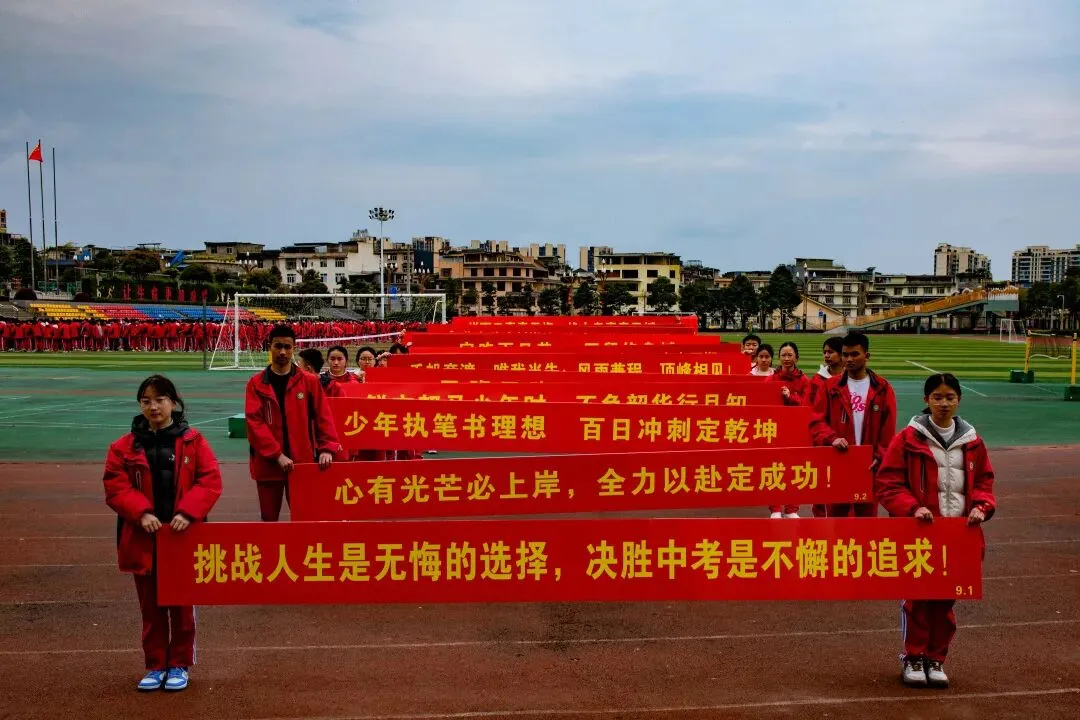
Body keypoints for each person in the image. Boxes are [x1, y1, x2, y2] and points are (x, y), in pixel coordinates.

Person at [102, 375, 222, 693]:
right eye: (146, 401)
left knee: (182, 605)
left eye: (160, 399)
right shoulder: (122, 447)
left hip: (182, 536)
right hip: (143, 536)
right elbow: (115, 485)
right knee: (151, 607)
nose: (153, 406)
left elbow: (209, 480)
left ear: (173, 402)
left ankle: (179, 663)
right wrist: (141, 512)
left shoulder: (194, 441)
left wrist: (188, 512)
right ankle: (156, 665)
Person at [875, 373, 996, 689]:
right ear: (926, 400)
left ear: (959, 400)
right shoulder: (907, 439)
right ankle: (912, 656)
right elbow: (888, 484)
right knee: (917, 599)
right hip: (920, 533)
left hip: (959, 535)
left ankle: (935, 658)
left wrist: (981, 507)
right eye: (938, 397)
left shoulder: (973, 441)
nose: (944, 403)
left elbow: (984, 482)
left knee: (945, 602)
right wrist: (913, 507)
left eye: (950, 397)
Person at [245, 325, 342, 522]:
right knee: (269, 518)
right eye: (277, 346)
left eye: (287, 347)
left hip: (301, 462)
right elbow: (255, 424)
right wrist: (276, 455)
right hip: (268, 464)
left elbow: (323, 416)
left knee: (304, 518)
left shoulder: (309, 381)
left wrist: (326, 448)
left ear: (294, 348)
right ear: (269, 346)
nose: (282, 352)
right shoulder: (255, 384)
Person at [810, 331, 897, 517]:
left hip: (868, 465)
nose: (848, 359)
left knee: (866, 519)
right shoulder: (830, 386)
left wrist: (880, 456)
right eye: (845, 354)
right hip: (838, 461)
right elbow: (816, 421)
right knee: (837, 517)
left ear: (867, 355)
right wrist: (831, 439)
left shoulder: (882, 387)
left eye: (854, 354)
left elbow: (888, 428)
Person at [766, 341, 809, 518]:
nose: (786, 358)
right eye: (783, 355)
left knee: (795, 469)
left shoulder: (805, 380)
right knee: (773, 468)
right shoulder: (771, 379)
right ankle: (775, 508)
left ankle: (792, 509)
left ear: (796, 357)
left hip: (797, 431)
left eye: (790, 355)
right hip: (774, 430)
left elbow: (808, 405)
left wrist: (791, 398)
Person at [808, 336, 845, 518]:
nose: (827, 356)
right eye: (824, 352)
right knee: (821, 481)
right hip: (823, 439)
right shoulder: (817, 380)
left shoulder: (851, 378)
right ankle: (820, 518)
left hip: (847, 440)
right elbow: (809, 409)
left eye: (831, 352)